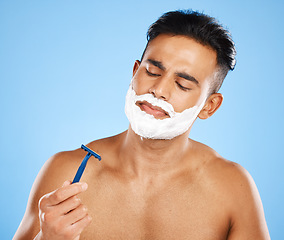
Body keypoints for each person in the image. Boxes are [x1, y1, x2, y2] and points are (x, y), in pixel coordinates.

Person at [13, 10, 270, 240]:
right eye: (152, 72)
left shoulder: (231, 188)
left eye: (182, 85)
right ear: (135, 71)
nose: (158, 90)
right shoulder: (66, 175)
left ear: (209, 106)